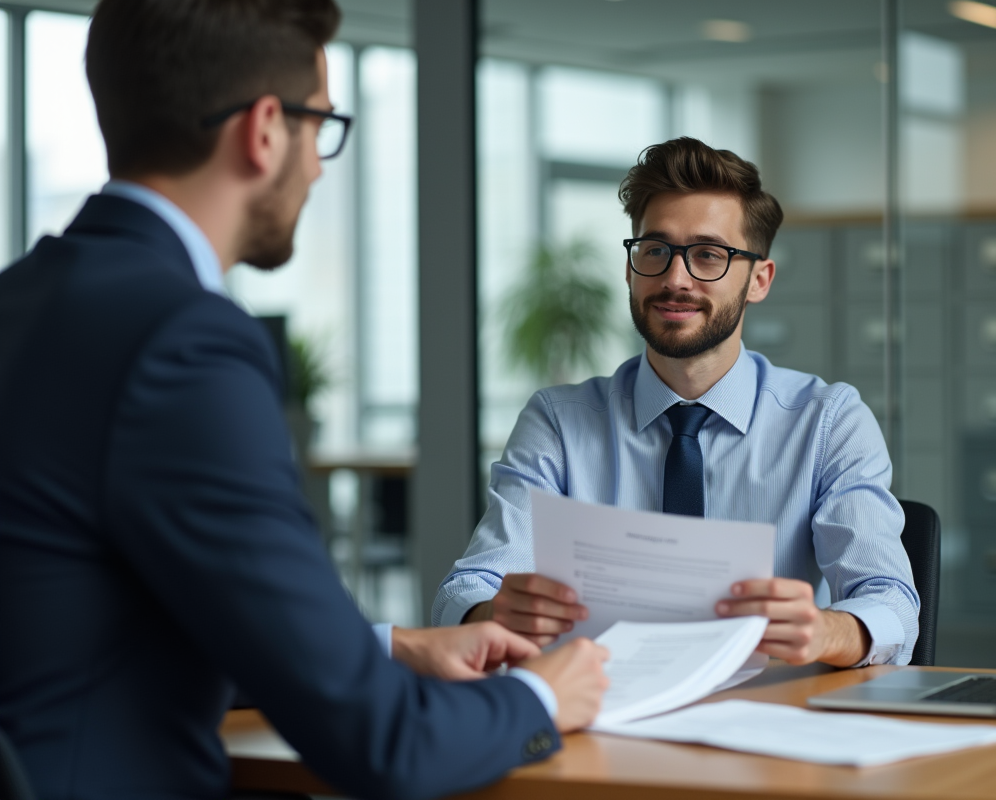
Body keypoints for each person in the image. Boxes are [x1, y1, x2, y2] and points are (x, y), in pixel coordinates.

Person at [0, 2, 609, 799]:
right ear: (263, 130)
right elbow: (383, 743)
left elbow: (93, 628)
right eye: (320, 125)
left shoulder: (22, 301)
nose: (321, 166)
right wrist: (541, 696)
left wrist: (389, 646)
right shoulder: (186, 343)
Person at [433, 137, 919, 669]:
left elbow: (891, 602)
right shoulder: (559, 421)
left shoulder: (828, 421)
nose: (674, 279)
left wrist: (826, 631)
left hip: (766, 716)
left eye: (708, 255)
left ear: (759, 280)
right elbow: (467, 586)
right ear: (630, 267)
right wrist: (491, 614)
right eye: (655, 250)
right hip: (601, 712)